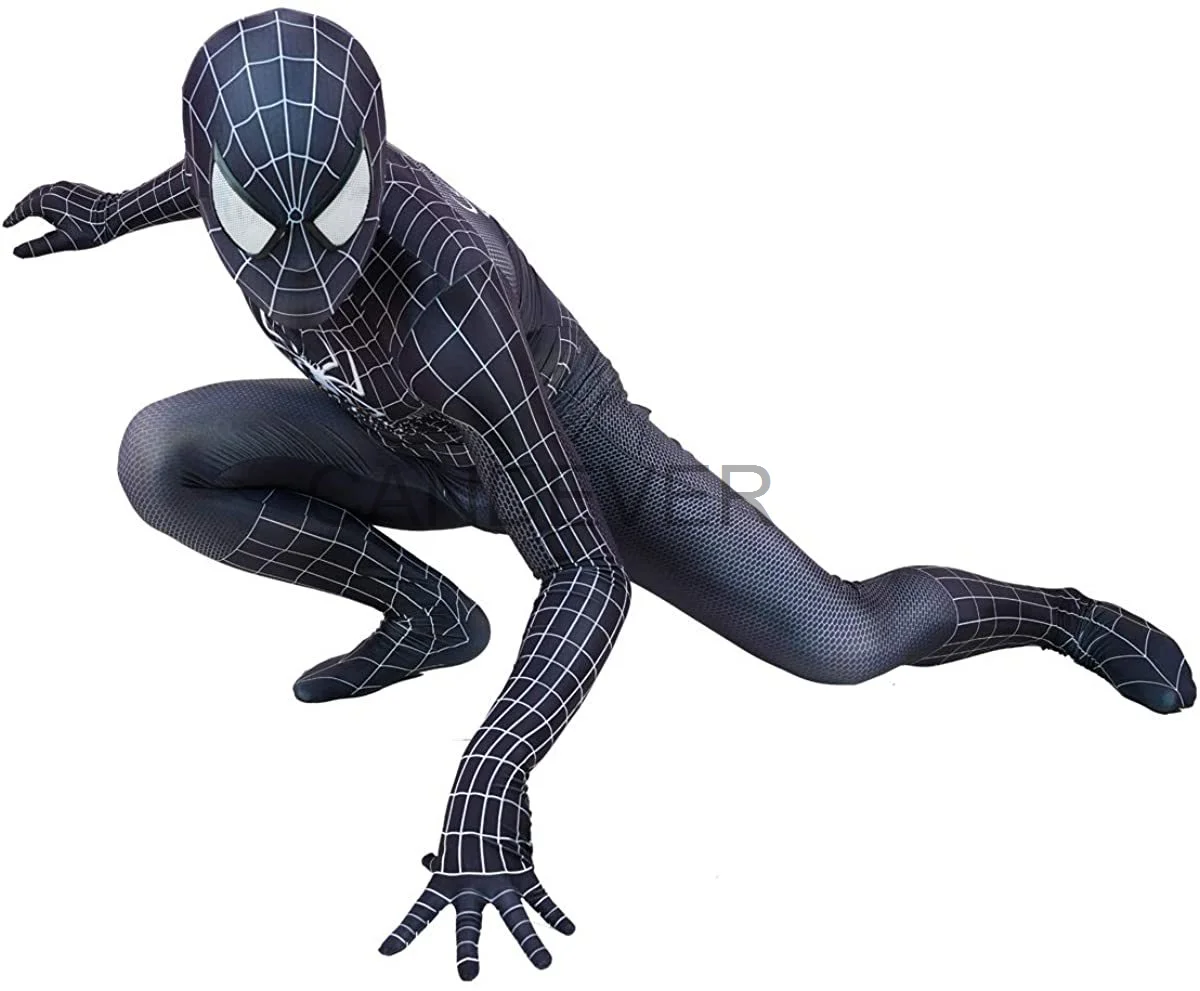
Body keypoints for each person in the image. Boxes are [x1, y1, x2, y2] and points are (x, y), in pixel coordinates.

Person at [5, 7, 1191, 982]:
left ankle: (1061, 615)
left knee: (842, 641)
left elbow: (584, 571)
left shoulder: (450, 293)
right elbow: (243, 166)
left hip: (576, 449)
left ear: (371, 162)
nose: (300, 268)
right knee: (161, 454)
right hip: (408, 434)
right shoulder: (259, 179)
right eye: (256, 218)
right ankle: (428, 617)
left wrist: (492, 773)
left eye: (334, 214)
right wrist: (113, 214)